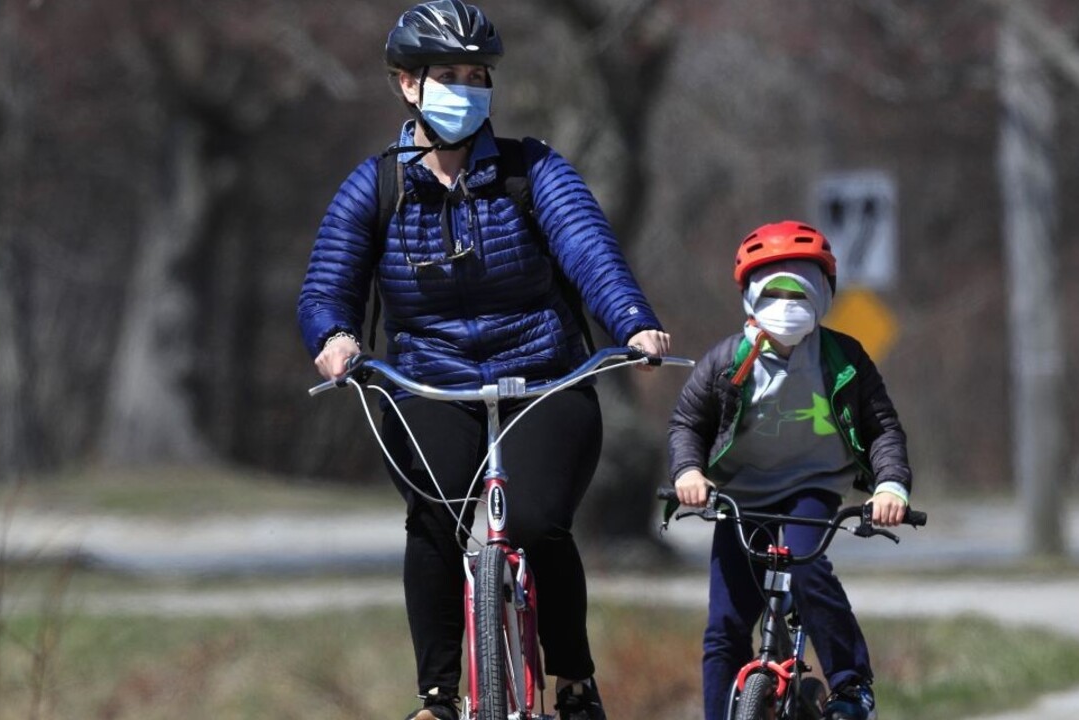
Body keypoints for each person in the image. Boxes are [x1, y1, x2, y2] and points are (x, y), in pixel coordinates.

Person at [297, 2, 669, 718]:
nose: (465, 89)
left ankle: (574, 683)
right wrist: (334, 339)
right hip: (428, 382)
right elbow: (327, 285)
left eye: (477, 75)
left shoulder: (535, 172)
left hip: (544, 377)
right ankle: (438, 698)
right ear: (408, 84)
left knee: (533, 521)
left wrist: (633, 323)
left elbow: (591, 251)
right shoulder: (374, 188)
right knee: (433, 519)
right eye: (448, 75)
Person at [666, 221, 912, 720]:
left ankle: (850, 685)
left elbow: (883, 426)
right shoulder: (725, 362)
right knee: (725, 627)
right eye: (774, 288)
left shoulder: (844, 356)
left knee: (805, 565)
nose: (787, 299)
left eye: (801, 285)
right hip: (740, 495)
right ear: (750, 297)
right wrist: (688, 472)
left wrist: (890, 485)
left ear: (824, 293)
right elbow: (687, 422)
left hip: (812, 488)